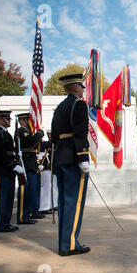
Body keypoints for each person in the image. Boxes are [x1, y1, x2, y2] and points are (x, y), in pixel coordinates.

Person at [51, 73, 91, 256]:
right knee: (73, 204)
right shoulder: (79, 104)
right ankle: (70, 245)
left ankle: (64, 244)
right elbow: (80, 133)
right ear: (75, 87)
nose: (83, 89)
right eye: (81, 87)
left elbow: (54, 137)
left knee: (64, 203)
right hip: (74, 159)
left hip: (61, 158)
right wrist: (83, 158)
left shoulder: (59, 107)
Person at [0, 110, 20, 232]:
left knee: (8, 198)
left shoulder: (7, 134)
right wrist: (12, 165)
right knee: (0, 198)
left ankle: (5, 222)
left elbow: (11, 152)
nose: (9, 120)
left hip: (9, 170)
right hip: (1, 169)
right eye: (7, 118)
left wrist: (16, 164)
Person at [16, 113, 45, 224]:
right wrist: (39, 133)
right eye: (29, 120)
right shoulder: (20, 131)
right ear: (22, 121)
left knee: (32, 191)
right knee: (26, 192)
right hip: (26, 164)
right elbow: (30, 141)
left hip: (31, 164)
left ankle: (28, 214)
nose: (31, 123)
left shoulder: (28, 132)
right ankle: (23, 216)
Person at [38, 131, 58, 215]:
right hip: (46, 168)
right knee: (45, 188)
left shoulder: (53, 144)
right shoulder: (45, 144)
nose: (50, 138)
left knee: (53, 187)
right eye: (49, 136)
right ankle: (44, 207)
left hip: (53, 168)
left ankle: (53, 204)